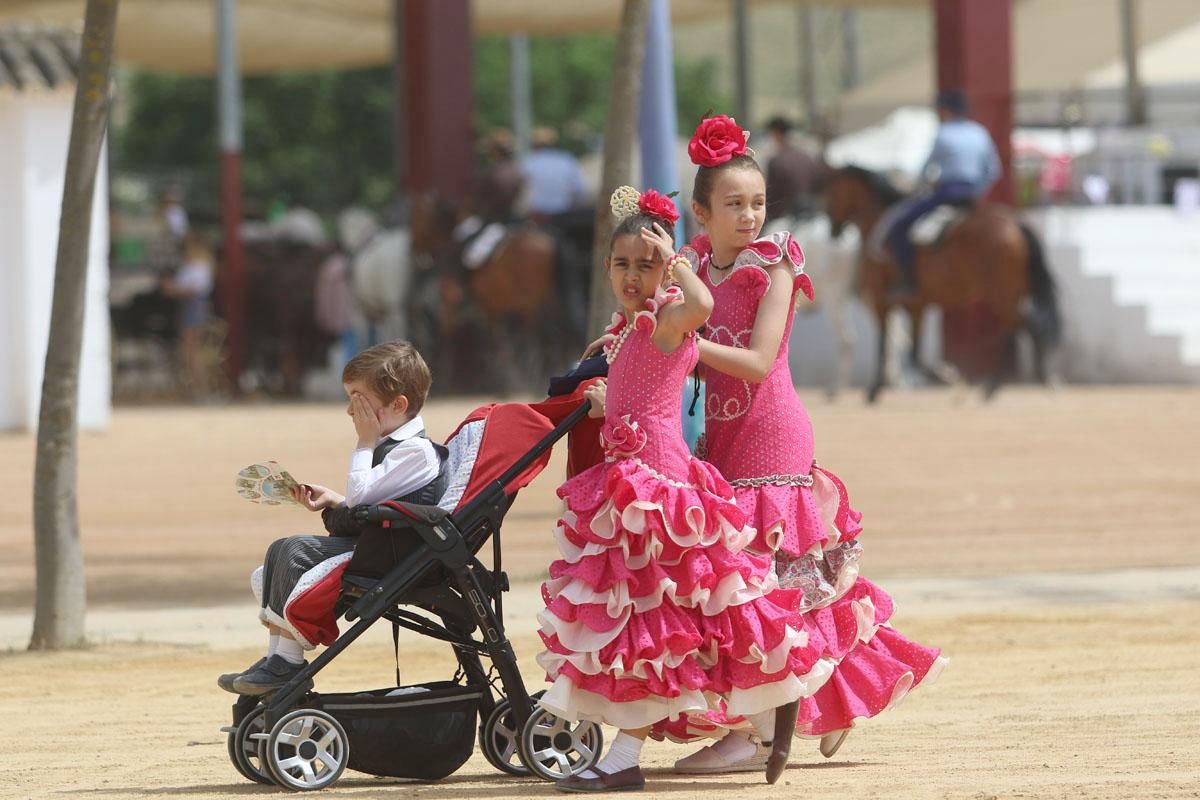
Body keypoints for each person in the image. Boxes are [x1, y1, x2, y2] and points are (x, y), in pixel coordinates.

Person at [665, 115, 945, 774]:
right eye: (732, 204)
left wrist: (677, 343)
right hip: (722, 444)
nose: (749, 215)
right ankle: (837, 694)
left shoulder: (775, 262)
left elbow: (760, 363)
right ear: (700, 211)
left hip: (771, 441)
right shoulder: (698, 265)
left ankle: (754, 734)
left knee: (756, 592)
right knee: (787, 588)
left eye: (757, 202)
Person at [540, 186, 825, 793]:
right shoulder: (631, 328)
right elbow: (634, 398)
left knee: (657, 620)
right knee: (686, 618)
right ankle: (774, 700)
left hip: (659, 487)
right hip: (631, 484)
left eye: (645, 265)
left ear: (666, 268)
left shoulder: (670, 318)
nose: (632, 276)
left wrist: (677, 267)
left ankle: (628, 758)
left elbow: (698, 303)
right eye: (622, 265)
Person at [217, 341, 448, 695]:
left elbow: (361, 496)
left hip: (392, 557)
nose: (349, 411)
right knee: (279, 554)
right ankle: (277, 658)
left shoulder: (416, 451)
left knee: (294, 551)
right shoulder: (397, 446)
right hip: (378, 543)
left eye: (358, 399)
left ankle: (289, 663)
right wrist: (333, 499)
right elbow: (369, 500)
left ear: (397, 404)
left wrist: (364, 443)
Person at [885, 89, 1002, 298]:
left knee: (900, 226)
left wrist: (919, 186)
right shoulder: (980, 132)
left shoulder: (944, 133)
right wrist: (978, 191)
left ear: (946, 111)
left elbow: (926, 170)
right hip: (972, 197)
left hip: (947, 193)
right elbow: (994, 171)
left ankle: (907, 279)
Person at [160, 231, 214, 398]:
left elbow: (193, 290)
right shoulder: (193, 266)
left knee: (193, 350)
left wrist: (173, 288)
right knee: (189, 351)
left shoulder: (200, 266)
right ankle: (195, 388)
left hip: (194, 307)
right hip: (189, 306)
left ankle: (201, 389)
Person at [763, 116, 826, 224]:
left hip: (784, 217)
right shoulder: (806, 157)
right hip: (812, 215)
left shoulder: (776, 161)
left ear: (775, 133)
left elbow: (770, 195)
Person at [520, 126, 586, 225]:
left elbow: (522, 193)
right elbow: (578, 190)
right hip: (564, 215)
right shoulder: (566, 160)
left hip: (538, 217)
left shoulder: (529, 162)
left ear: (534, 145)